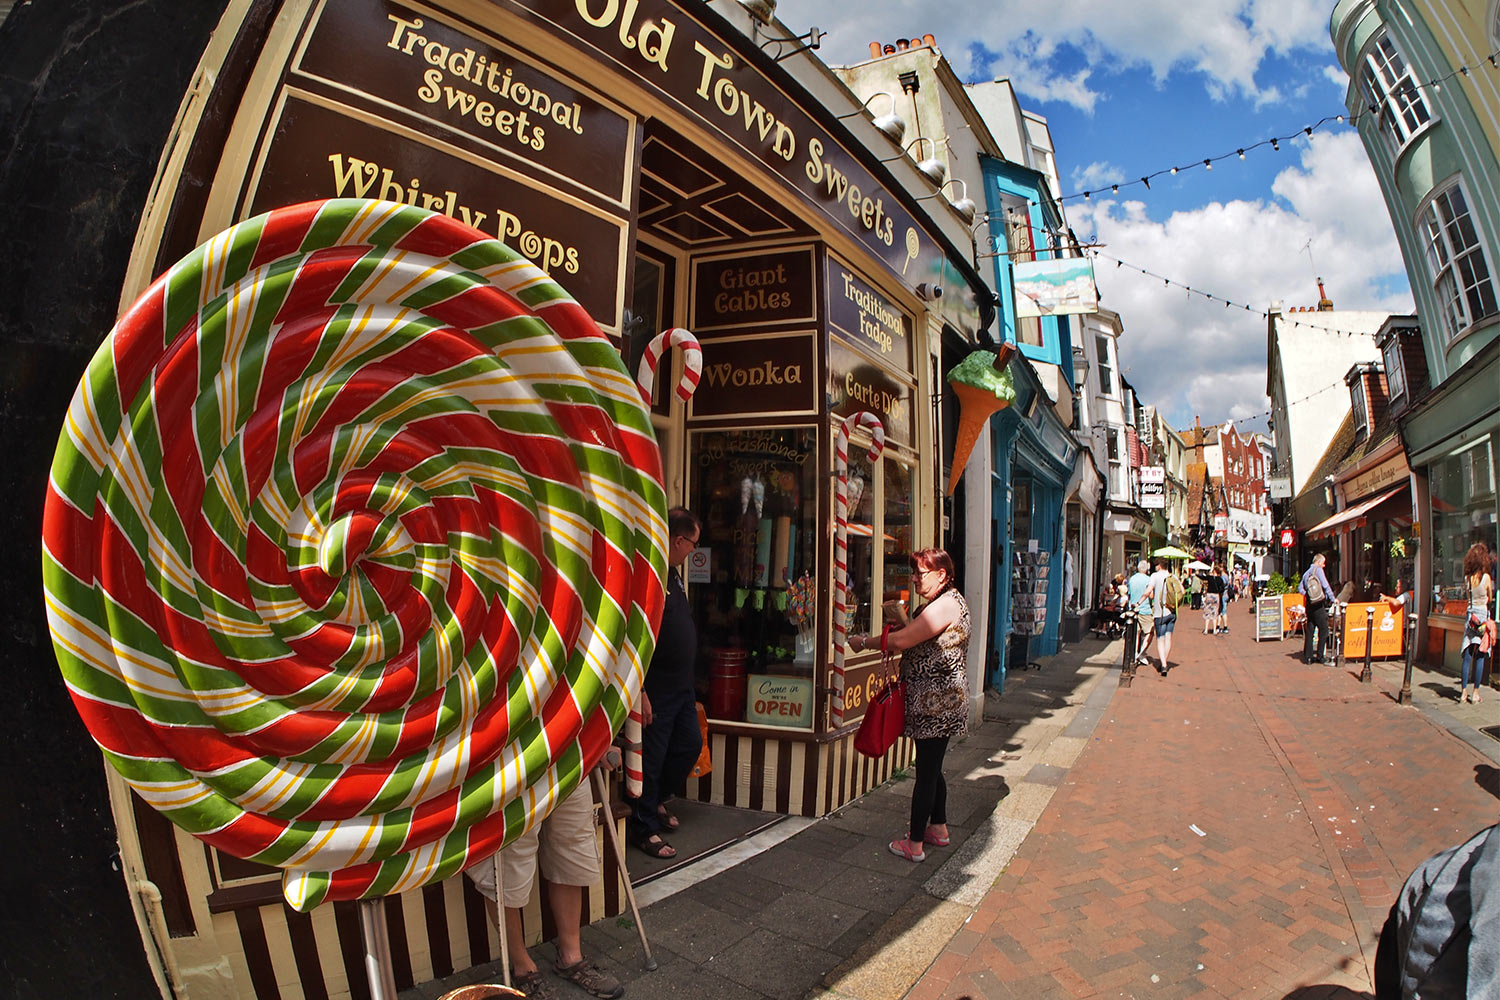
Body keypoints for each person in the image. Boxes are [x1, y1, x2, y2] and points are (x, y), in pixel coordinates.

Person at [848, 548, 970, 863]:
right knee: (932, 767)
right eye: (913, 573)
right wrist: (902, 622)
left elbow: (903, 641)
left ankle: (914, 844)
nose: (914, 579)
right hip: (934, 701)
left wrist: (864, 643)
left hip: (936, 703)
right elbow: (916, 636)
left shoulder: (946, 605)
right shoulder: (940, 603)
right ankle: (938, 828)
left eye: (920, 573)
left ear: (942, 575)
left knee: (926, 772)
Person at [465, 777, 625, 999]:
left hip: (569, 761)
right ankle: (522, 968)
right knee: (508, 860)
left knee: (572, 847)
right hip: (510, 767)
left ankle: (571, 957)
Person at [628, 508, 702, 858]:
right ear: (678, 540)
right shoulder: (650, 574)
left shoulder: (673, 574)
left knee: (689, 743)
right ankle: (644, 827)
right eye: (693, 544)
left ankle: (657, 799)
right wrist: (640, 689)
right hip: (657, 686)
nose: (693, 551)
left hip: (682, 685)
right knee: (652, 758)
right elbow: (635, 634)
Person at [1460, 542, 1495, 704]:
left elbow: (1468, 597)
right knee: (1480, 654)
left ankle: (1463, 692)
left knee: (1467, 655)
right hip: (1482, 616)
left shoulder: (1467, 578)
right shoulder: (1486, 578)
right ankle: (1475, 694)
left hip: (1470, 616)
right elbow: (1490, 597)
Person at [1300, 553, 1335, 664]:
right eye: (1323, 563)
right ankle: (1320, 656)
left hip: (1309, 604)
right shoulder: (1318, 570)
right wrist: (1333, 598)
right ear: (1319, 562)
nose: (1324, 565)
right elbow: (1325, 585)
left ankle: (1308, 657)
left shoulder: (1306, 573)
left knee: (1310, 630)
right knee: (1324, 629)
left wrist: (1309, 595)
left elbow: (1300, 588)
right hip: (1318, 604)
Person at [1148, 558, 1178, 676]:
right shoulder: (1172, 576)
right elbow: (1182, 591)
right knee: (1168, 638)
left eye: (1156, 565)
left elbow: (1149, 591)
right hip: (1172, 612)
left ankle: (1164, 665)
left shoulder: (1155, 576)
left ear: (1159, 566)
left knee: (1160, 639)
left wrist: (1140, 601)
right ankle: (1164, 661)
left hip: (1160, 613)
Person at [1126, 559, 1155, 666]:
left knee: (1136, 633)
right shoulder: (1148, 579)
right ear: (1147, 569)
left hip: (1133, 609)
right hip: (1145, 609)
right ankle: (1141, 653)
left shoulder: (1132, 579)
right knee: (1149, 632)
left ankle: (1134, 654)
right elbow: (1151, 595)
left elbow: (1129, 594)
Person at [1202, 565, 1224, 635]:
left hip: (1209, 595)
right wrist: (1219, 592)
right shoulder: (1220, 579)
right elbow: (1222, 588)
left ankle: (1206, 630)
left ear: (1214, 571)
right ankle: (1214, 630)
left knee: (1207, 612)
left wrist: (1196, 574)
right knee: (1215, 613)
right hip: (1216, 596)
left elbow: (1203, 577)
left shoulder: (1210, 577)